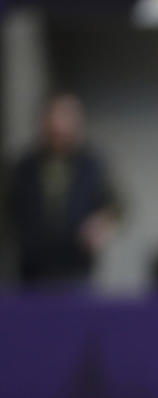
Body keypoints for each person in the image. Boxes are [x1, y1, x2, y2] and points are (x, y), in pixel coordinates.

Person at [4, 92, 119, 286]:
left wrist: (101, 223)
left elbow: (117, 204)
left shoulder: (92, 165)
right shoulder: (23, 166)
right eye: (54, 117)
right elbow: (8, 210)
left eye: (66, 117)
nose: (59, 124)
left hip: (78, 265)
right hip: (32, 267)